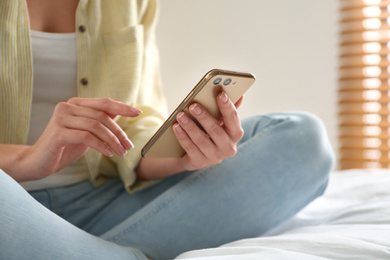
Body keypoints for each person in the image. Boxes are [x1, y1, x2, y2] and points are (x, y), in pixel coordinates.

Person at [0, 0, 335, 259]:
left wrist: (182, 155)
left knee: (302, 140)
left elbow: (135, 119)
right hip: (9, 203)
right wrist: (28, 160)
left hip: (106, 201)